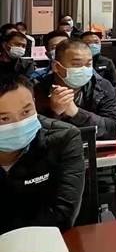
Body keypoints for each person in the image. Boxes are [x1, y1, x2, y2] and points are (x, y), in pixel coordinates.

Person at [0, 75, 85, 236]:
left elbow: (63, 215)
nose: (19, 124)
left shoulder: (64, 138)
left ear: (34, 103)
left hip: (46, 241)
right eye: (4, 119)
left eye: (26, 112)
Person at [34, 39, 116, 140]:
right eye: (76, 65)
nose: (83, 69)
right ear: (56, 66)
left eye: (88, 64)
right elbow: (31, 135)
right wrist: (54, 114)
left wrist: (76, 113)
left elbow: (112, 129)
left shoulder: (102, 87)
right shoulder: (36, 89)